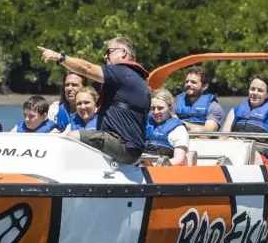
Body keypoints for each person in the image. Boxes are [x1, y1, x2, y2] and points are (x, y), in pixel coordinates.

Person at [37, 36, 150, 165]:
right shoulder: (138, 79)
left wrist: (60, 57)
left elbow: (87, 69)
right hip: (130, 148)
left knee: (70, 137)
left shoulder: (123, 72)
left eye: (109, 52)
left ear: (123, 52)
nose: (105, 57)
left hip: (124, 147)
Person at [144, 89, 190, 166]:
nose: (155, 112)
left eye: (160, 108)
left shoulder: (178, 129)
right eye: (152, 108)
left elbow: (179, 158)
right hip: (141, 169)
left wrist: (159, 166)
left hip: (164, 171)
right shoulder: (144, 123)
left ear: (170, 108)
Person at [173, 65, 224, 130]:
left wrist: (179, 123)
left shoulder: (214, 107)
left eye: (193, 82)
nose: (188, 84)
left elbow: (207, 133)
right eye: (187, 81)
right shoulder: (176, 104)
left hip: (199, 140)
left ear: (204, 86)